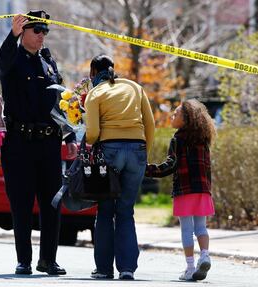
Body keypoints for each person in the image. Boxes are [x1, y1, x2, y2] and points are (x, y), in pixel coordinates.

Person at [0, 10, 77, 276]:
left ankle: (48, 260)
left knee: (52, 203)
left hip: (48, 143)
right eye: (37, 31)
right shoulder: (13, 58)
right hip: (20, 142)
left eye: (45, 31)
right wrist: (12, 35)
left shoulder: (48, 62)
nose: (42, 36)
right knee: (21, 203)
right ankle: (24, 260)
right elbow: (1, 60)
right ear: (24, 32)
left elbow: (61, 101)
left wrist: (70, 134)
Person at [84, 54, 155, 280]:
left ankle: (104, 269)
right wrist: (145, 152)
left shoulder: (95, 93)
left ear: (93, 72)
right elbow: (150, 124)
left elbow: (93, 133)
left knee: (105, 210)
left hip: (110, 152)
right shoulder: (135, 87)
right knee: (126, 210)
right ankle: (127, 268)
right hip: (137, 150)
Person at [145, 99, 216, 281]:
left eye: (176, 114)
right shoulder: (203, 139)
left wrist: (147, 169)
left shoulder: (177, 139)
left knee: (186, 229)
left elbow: (171, 165)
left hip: (185, 190)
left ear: (186, 119)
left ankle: (191, 267)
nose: (172, 116)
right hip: (202, 190)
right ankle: (205, 255)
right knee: (201, 227)